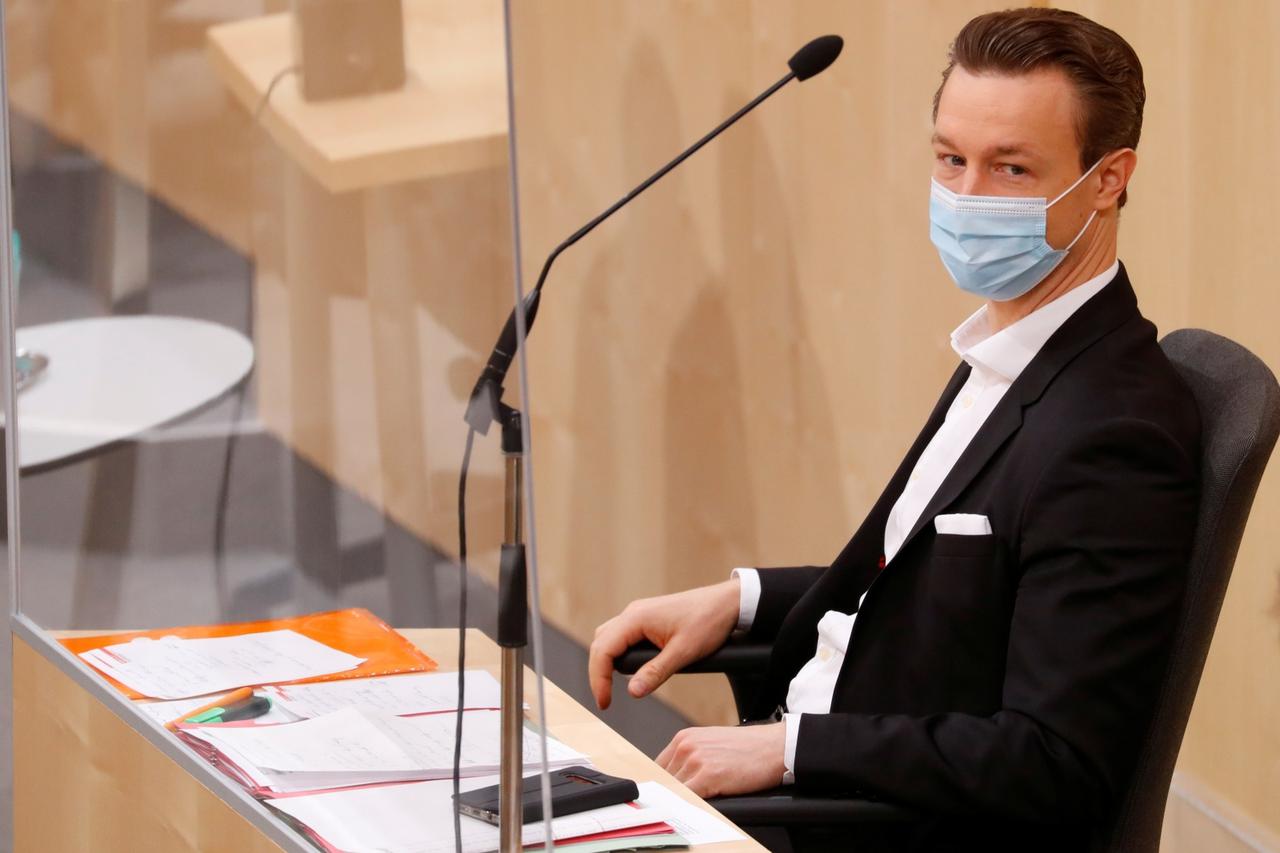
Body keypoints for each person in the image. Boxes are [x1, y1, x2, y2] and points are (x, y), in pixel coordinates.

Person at [588, 8, 1201, 852]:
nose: (966, 197)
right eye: (951, 159)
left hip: (850, 820)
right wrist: (743, 599)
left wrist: (790, 749)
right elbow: (929, 587)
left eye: (1012, 169)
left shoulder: (1113, 432)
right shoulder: (1012, 349)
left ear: (1107, 178)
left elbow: (1056, 760)